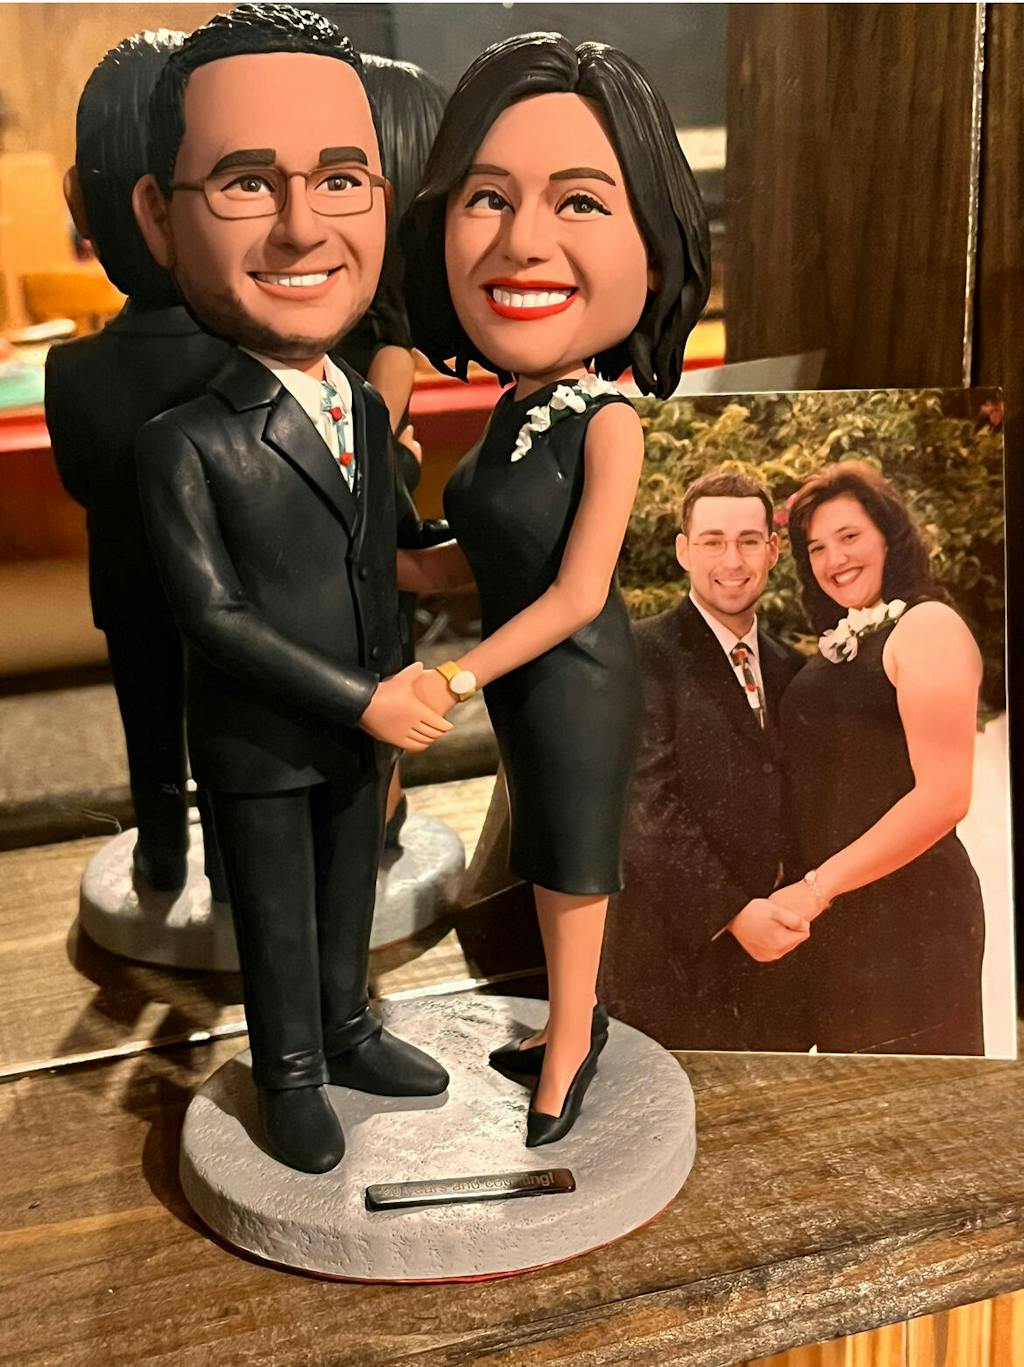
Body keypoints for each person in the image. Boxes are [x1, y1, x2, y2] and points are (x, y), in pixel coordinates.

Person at [130, 4, 451, 1174]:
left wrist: (481, 546)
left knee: (347, 890)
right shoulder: (185, 442)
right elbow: (212, 617)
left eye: (341, 179)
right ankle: (292, 1066)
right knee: (274, 911)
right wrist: (365, 697)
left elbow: (387, 540)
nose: (302, 224)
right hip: (263, 737)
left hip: (367, 721)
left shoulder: (359, 399)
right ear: (159, 217)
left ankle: (349, 1026)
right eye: (246, 183)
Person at [399, 33, 710, 1144]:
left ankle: (571, 1043)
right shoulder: (514, 408)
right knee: (541, 850)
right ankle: (566, 1020)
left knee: (574, 861)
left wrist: (458, 675)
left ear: (654, 248)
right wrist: (399, 555)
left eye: (579, 201)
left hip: (572, 677)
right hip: (523, 682)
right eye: (487, 198)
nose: (523, 240)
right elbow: (483, 548)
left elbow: (579, 593)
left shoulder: (608, 422)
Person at [45, 31, 231, 897]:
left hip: (126, 582)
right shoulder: (249, 359)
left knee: (147, 725)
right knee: (230, 724)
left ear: (79, 203)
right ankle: (232, 859)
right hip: (238, 589)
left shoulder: (74, 370)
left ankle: (160, 852)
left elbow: (80, 481)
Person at [775, 460, 986, 1055]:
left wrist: (816, 889)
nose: (834, 559)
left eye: (849, 536)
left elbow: (945, 796)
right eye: (817, 547)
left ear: (889, 537)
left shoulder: (927, 625)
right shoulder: (852, 638)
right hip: (843, 915)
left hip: (910, 915)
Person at [599, 468, 810, 1051]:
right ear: (684, 551)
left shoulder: (790, 668)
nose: (732, 560)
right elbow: (645, 806)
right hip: (671, 965)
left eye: (748, 541)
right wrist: (735, 913)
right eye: (713, 541)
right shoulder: (641, 653)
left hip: (772, 971)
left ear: (772, 551)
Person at [334, 54, 448, 848]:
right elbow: (375, 467)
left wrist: (397, 458)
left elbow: (367, 469)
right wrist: (402, 457)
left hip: (367, 565)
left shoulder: (381, 342)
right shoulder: (377, 342)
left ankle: (382, 817)